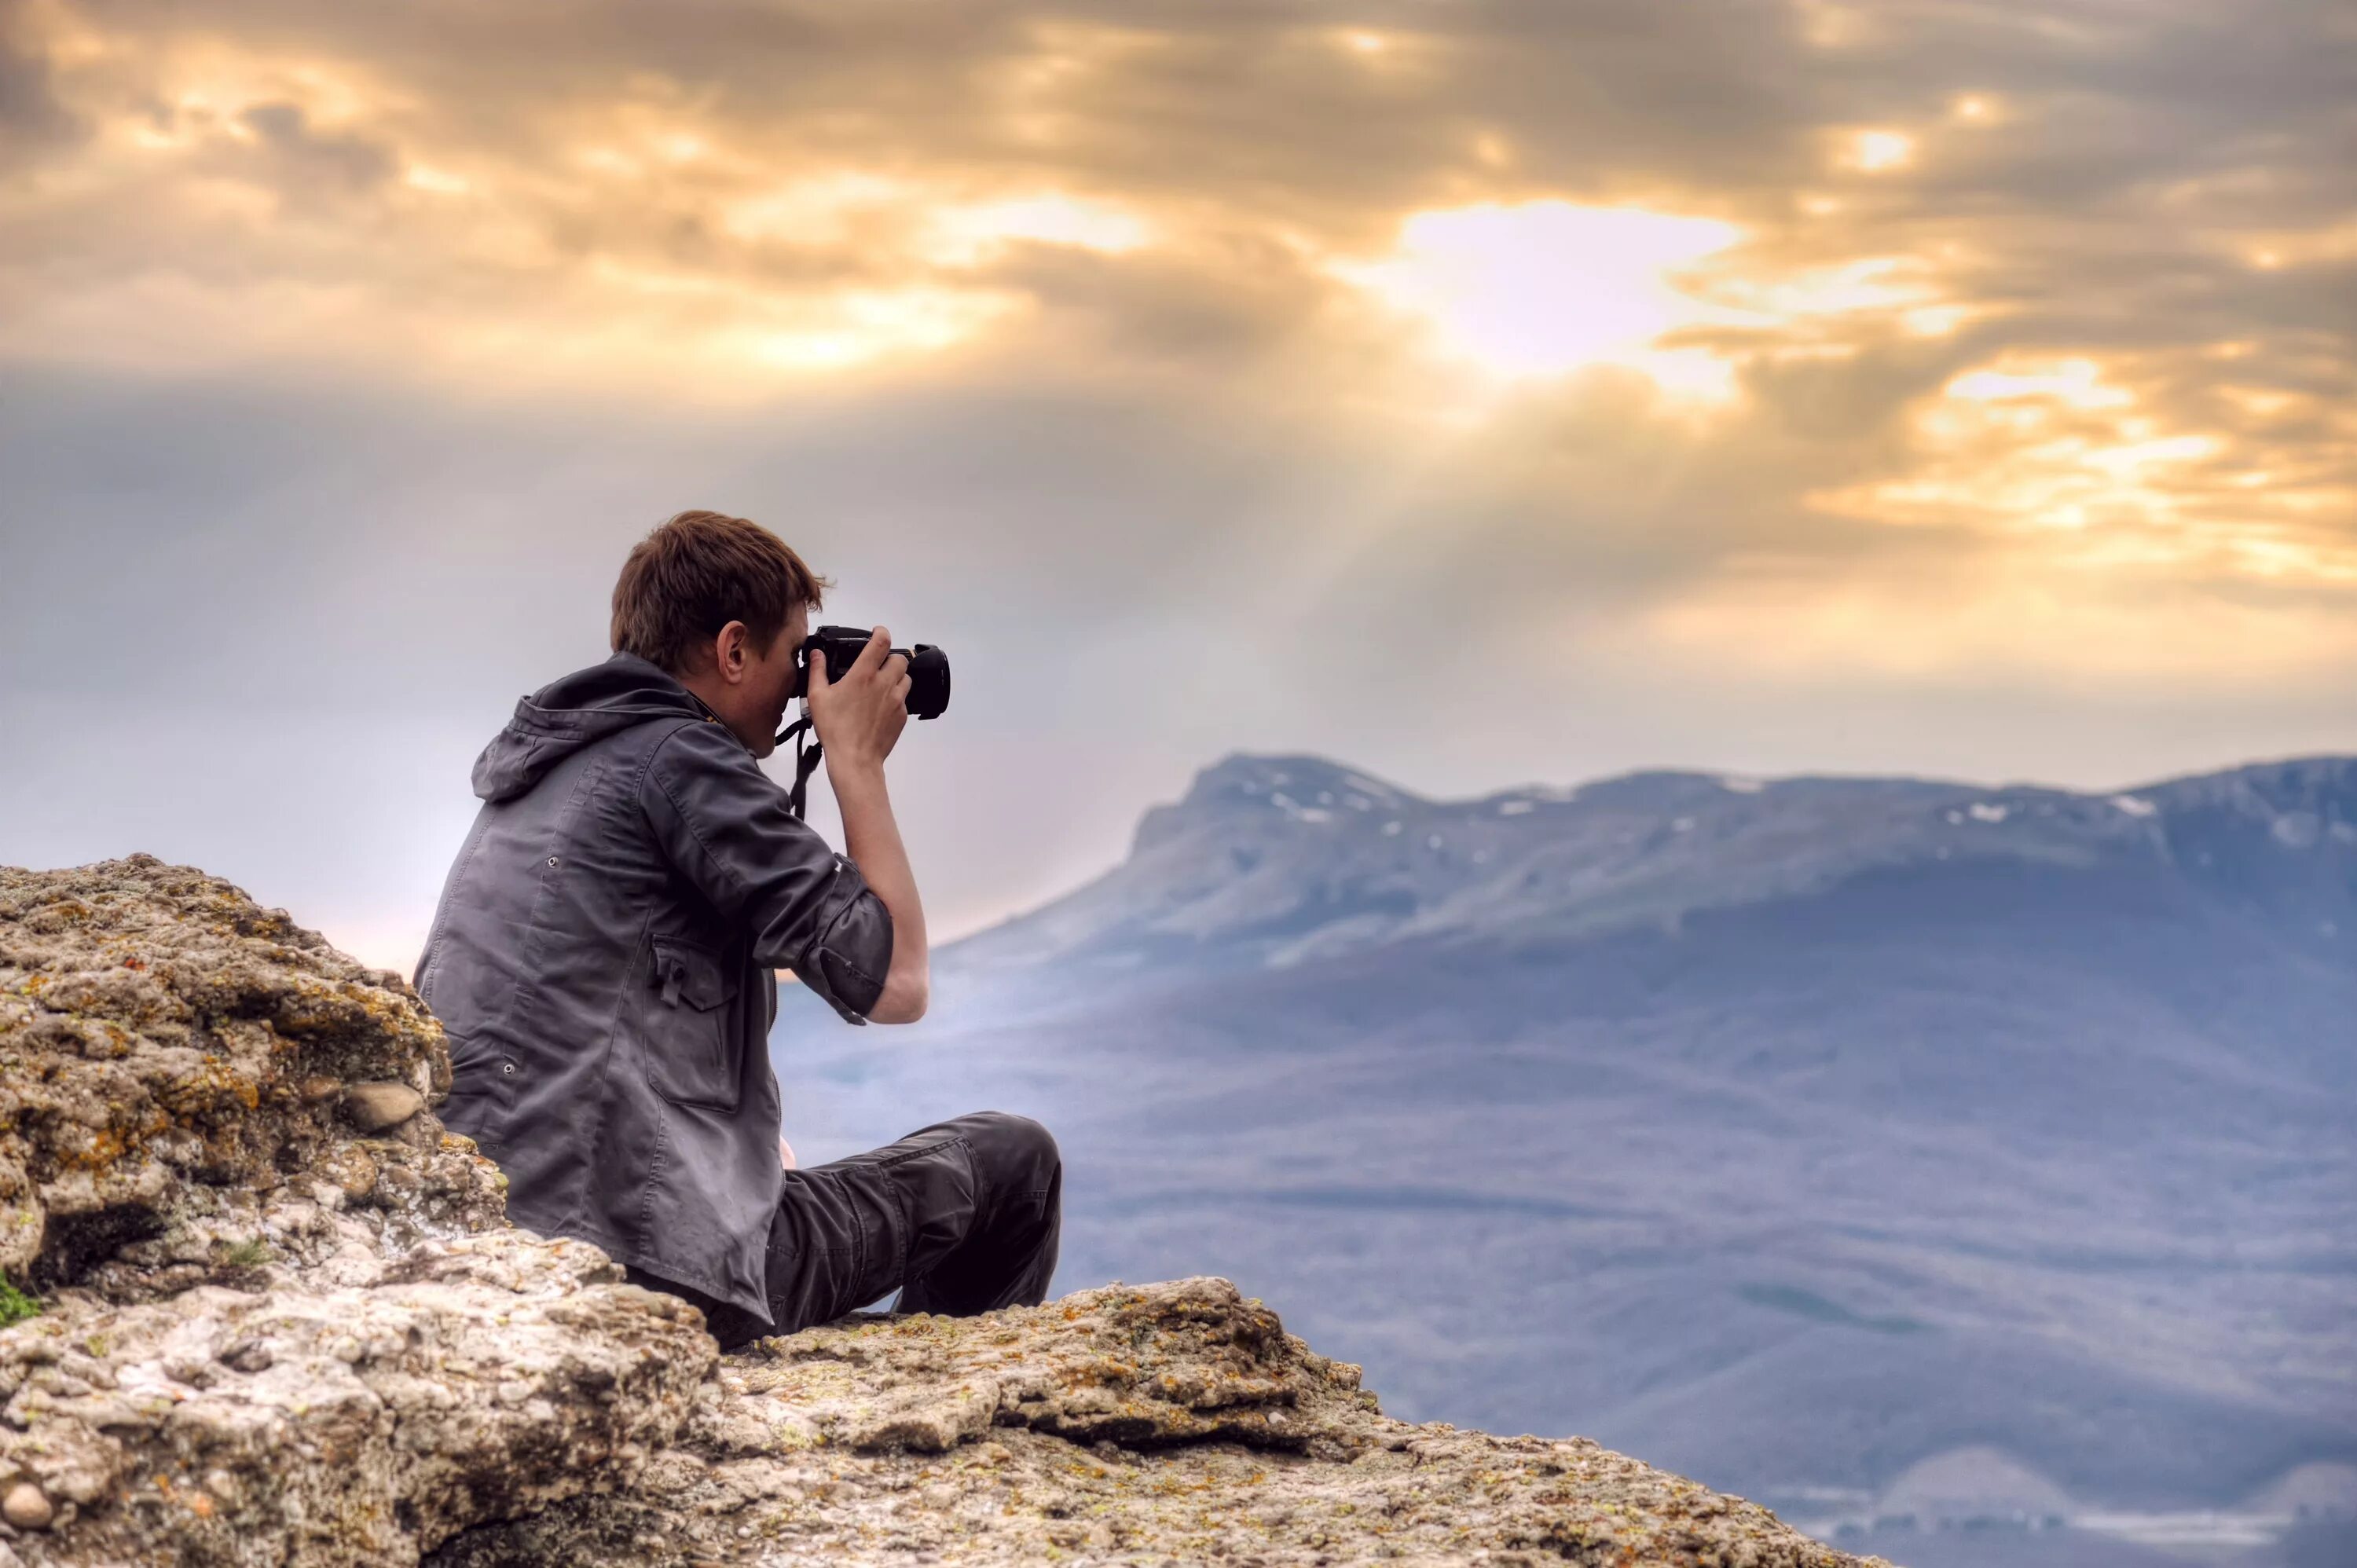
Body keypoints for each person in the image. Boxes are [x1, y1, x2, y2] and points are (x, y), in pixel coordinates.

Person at [413, 509, 1061, 1349]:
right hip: (641, 1264)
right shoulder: (681, 763)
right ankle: (936, 1416)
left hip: (502, 1245)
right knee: (1014, 1163)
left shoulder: (548, 769)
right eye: (796, 654)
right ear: (731, 651)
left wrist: (742, 1156)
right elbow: (899, 980)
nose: (805, 680)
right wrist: (856, 762)